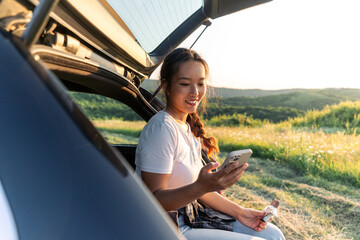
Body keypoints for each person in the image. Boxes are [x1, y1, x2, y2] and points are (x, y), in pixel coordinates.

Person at [135, 48, 285, 240]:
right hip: (170, 227)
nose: (195, 92)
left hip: (194, 217)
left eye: (200, 84)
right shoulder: (162, 128)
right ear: (167, 86)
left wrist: (240, 212)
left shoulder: (186, 128)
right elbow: (153, 201)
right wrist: (200, 186)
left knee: (274, 235)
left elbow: (202, 192)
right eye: (185, 83)